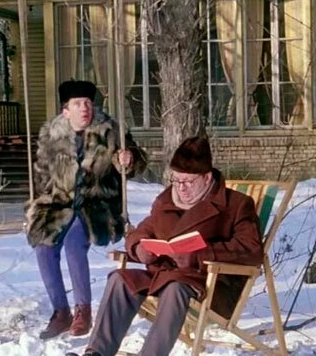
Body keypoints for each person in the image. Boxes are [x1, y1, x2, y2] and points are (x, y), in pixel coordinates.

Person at [69, 136, 264, 356]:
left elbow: (251, 249)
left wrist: (200, 254)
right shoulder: (166, 201)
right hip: (163, 275)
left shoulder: (235, 205)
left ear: (207, 177)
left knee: (174, 287)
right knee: (120, 279)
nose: (181, 188)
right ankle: (96, 352)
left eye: (188, 181)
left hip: (209, 285)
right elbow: (142, 231)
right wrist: (139, 248)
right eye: (176, 180)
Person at [25, 79, 146, 340]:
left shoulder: (110, 131)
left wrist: (127, 160)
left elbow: (138, 163)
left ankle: (83, 311)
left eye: (88, 103)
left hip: (98, 205)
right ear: (65, 111)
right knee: (43, 246)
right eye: (78, 104)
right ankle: (61, 312)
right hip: (61, 205)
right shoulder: (51, 136)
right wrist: (38, 208)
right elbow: (41, 177)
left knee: (73, 241)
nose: (84, 108)